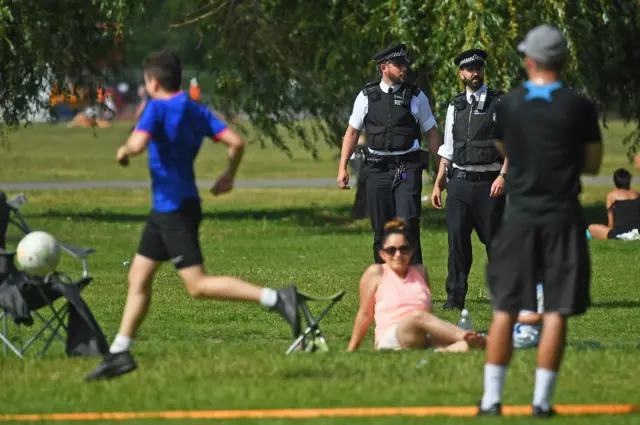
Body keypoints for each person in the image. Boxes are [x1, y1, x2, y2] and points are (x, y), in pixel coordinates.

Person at [85, 50, 300, 381]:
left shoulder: (156, 107)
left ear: (152, 82)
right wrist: (229, 175)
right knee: (139, 275)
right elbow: (236, 142)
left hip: (174, 211)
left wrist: (123, 150)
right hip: (168, 208)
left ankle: (277, 298)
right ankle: (119, 352)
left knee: (197, 285)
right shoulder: (195, 109)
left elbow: (139, 143)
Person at [479, 25, 603, 417]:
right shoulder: (578, 107)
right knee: (555, 310)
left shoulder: (509, 105)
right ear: (563, 61)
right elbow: (594, 163)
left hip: (518, 217)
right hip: (563, 217)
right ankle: (542, 403)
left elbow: (503, 147)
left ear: (529, 60)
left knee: (504, 308)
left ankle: (490, 401)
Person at [337, 44, 441, 265]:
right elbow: (352, 132)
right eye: (399, 65)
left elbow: (431, 133)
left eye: (406, 64)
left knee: (408, 222)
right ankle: (385, 282)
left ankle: (414, 281)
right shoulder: (367, 96)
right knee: (381, 227)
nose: (404, 69)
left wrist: (440, 170)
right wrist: (342, 167)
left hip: (406, 170)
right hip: (377, 170)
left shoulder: (416, 96)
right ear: (384, 67)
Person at [431, 48, 507, 311]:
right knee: (457, 242)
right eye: (470, 69)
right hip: (460, 183)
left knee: (495, 242)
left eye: (479, 68)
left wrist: (503, 175)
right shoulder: (455, 105)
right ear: (461, 74)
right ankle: (455, 296)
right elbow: (448, 148)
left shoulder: (499, 102)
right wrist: (439, 182)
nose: (476, 73)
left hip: (490, 184)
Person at [346, 218, 487, 353]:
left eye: (404, 249)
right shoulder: (376, 273)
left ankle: (452, 348)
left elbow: (428, 313)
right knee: (417, 316)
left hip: (420, 335)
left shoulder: (420, 272)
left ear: (412, 251)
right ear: (382, 254)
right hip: (391, 337)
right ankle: (466, 335)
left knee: (466, 346)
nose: (398, 254)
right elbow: (365, 314)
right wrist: (352, 348)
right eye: (391, 250)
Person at [587, 168, 640, 240]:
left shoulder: (611, 195)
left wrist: (609, 229)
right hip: (637, 230)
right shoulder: (636, 194)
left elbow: (610, 220)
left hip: (620, 233)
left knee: (591, 228)